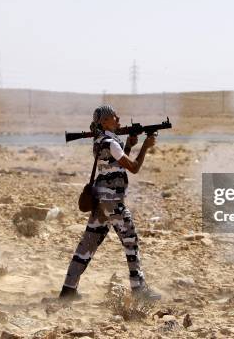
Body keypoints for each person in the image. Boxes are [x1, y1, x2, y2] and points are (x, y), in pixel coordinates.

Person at [59, 105, 162, 301]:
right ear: (105, 121)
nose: (118, 118)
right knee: (130, 241)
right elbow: (133, 167)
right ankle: (139, 290)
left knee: (86, 246)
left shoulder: (100, 141)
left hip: (100, 202)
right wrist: (145, 147)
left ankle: (68, 290)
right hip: (113, 202)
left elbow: (115, 163)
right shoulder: (111, 143)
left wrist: (130, 145)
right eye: (114, 117)